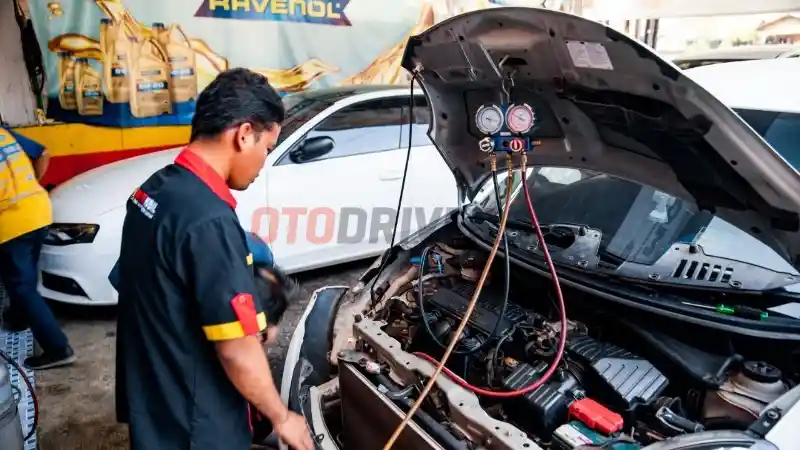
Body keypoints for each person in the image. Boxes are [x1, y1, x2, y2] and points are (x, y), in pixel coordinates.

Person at [113, 68, 313, 450]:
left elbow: (157, 287)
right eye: (267, 148)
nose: (264, 162)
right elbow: (236, 349)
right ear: (244, 134)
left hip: (153, 401)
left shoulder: (153, 192)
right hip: (196, 424)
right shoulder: (210, 221)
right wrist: (281, 416)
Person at [0, 126, 75, 370]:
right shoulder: (4, 133)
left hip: (13, 222)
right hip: (38, 209)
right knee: (24, 277)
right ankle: (18, 318)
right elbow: (43, 153)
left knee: (21, 286)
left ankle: (58, 349)